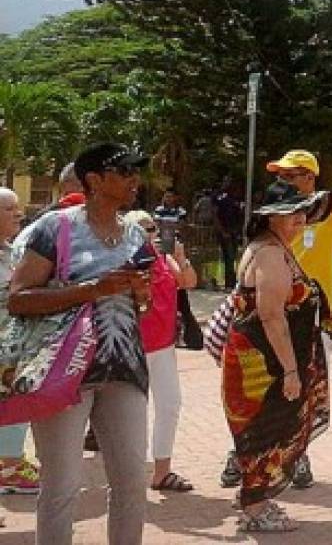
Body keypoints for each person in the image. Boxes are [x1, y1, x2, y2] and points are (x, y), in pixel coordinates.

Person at [217, 150, 332, 490]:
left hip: (308, 320)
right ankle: (241, 455)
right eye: (280, 175)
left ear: (309, 178)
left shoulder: (325, 213)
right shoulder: (272, 218)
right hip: (266, 319)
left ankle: (297, 455)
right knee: (256, 391)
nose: (282, 180)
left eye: (290, 174)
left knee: (304, 393)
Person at [7, 143, 153, 545]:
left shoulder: (136, 232)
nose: (134, 181)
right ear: (94, 179)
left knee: (132, 482)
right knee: (62, 487)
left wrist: (140, 293)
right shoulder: (56, 228)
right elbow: (19, 299)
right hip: (64, 371)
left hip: (124, 368)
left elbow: (141, 303)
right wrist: (92, 289)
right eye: (124, 172)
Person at [221, 184, 332, 533]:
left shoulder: (276, 247)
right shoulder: (269, 254)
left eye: (304, 209)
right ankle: (255, 507)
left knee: (268, 430)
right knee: (263, 430)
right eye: (292, 210)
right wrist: (289, 371)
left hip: (266, 359)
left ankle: (256, 502)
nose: (300, 217)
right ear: (270, 215)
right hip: (264, 366)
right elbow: (271, 315)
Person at [126, 210, 198, 493]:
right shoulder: (126, 262)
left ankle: (162, 471)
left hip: (164, 346)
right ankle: (130, 474)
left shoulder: (164, 259)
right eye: (141, 229)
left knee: (170, 405)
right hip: (134, 347)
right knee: (132, 412)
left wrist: (180, 257)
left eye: (152, 228)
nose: (149, 233)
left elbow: (188, 281)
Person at [0, 186, 39, 505]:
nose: (18, 213)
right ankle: (9, 467)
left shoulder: (11, 251)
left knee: (15, 404)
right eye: (9, 208)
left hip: (13, 351)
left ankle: (10, 463)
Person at [214, 178, 244, 290]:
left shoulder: (236, 199)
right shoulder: (220, 198)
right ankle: (229, 284)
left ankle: (231, 282)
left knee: (233, 258)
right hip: (225, 232)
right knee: (228, 257)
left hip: (234, 232)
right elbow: (215, 215)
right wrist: (222, 231)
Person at [152, 188, 187, 255]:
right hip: (160, 237)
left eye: (170, 197)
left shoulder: (181, 211)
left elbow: (181, 225)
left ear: (175, 198)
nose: (168, 199)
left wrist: (164, 223)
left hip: (175, 238)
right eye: (166, 197)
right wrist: (172, 224)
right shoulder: (159, 210)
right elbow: (156, 224)